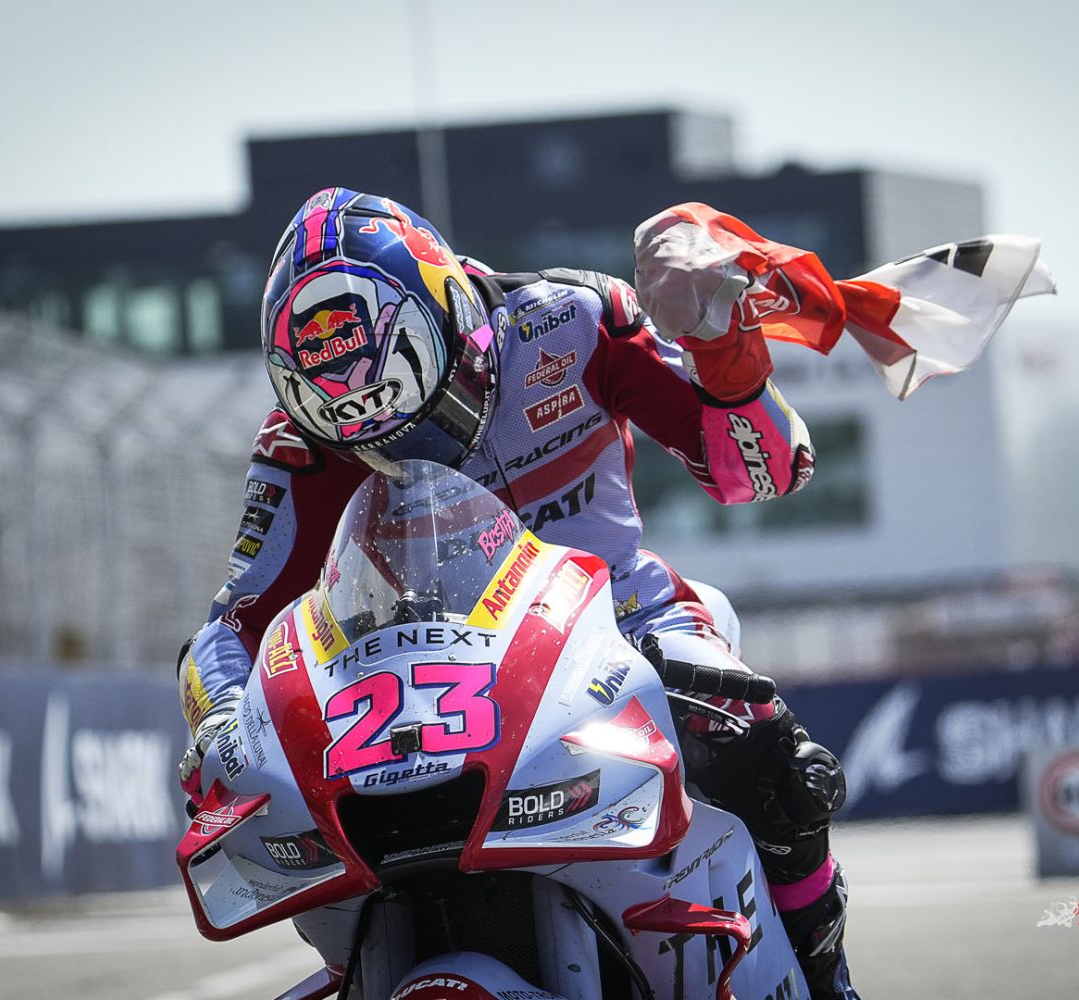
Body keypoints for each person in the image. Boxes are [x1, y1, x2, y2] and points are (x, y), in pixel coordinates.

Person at [176, 187, 857, 999]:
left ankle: (829, 982)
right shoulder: (300, 445)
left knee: (771, 758)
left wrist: (724, 349)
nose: (410, 443)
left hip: (621, 620)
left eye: (428, 414)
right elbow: (232, 626)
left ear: (454, 318)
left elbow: (761, 475)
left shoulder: (575, 318)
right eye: (372, 441)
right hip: (419, 669)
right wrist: (217, 724)